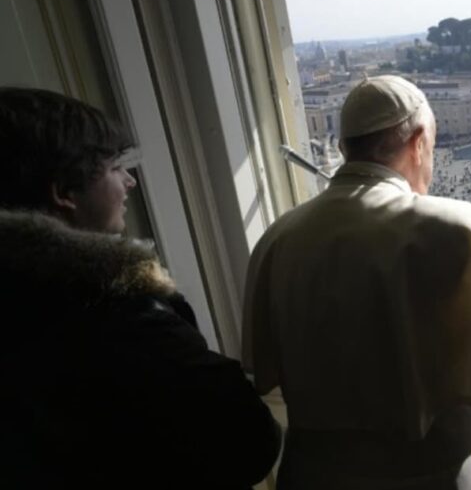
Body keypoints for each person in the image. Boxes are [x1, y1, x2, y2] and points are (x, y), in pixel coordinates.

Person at [243, 75, 471, 490]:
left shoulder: (276, 239)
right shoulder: (455, 227)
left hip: (316, 477)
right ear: (419, 142)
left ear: (346, 146)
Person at [0, 87, 281, 489]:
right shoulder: (120, 317)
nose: (130, 181)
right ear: (65, 193)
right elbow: (249, 441)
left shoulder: (22, 300)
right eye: (115, 168)